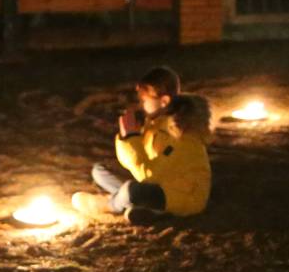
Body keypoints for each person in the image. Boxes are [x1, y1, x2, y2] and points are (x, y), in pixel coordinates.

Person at [71, 65, 212, 225]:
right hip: (156, 183)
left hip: (182, 196)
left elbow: (149, 177)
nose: (139, 104)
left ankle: (110, 204)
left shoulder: (182, 134)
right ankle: (144, 208)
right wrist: (126, 137)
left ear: (164, 101)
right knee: (100, 170)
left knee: (132, 190)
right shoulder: (155, 122)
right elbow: (138, 164)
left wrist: (132, 137)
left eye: (143, 100)